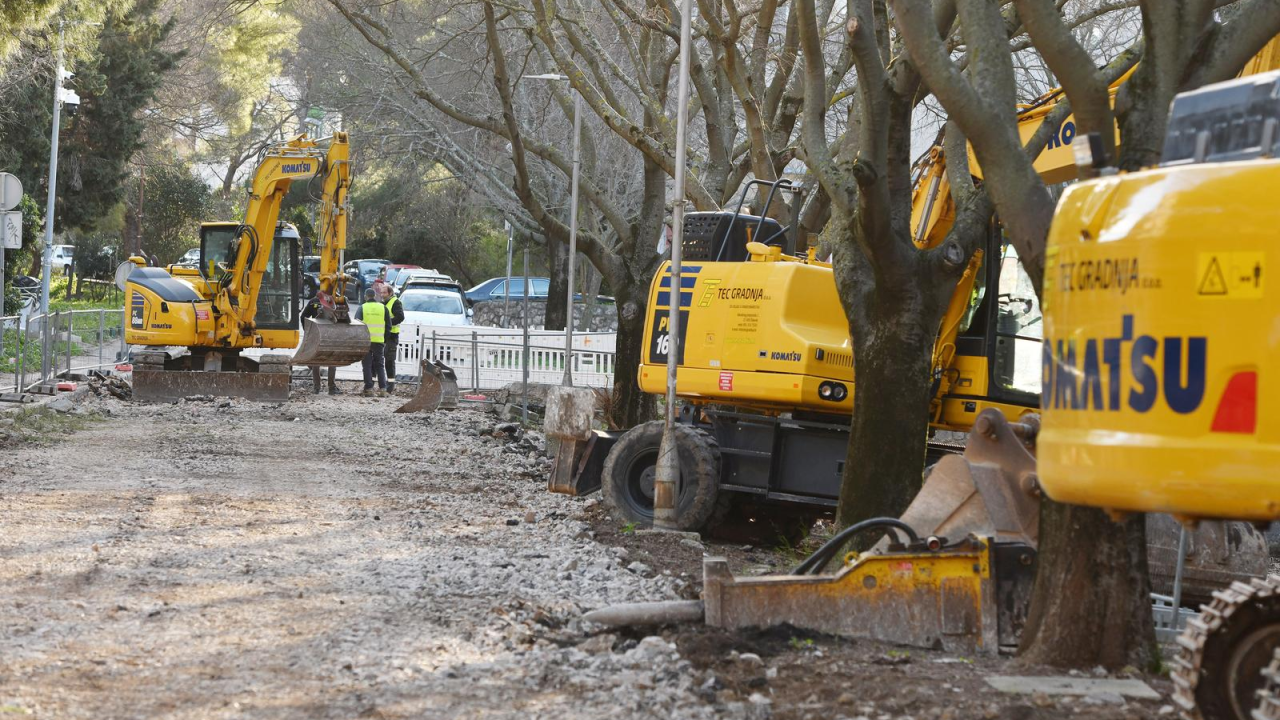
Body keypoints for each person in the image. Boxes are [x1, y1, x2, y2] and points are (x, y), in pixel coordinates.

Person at [300, 296, 340, 395]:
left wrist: (308, 331)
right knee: (332, 361)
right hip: (331, 334)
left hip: (317, 334)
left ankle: (316, 387)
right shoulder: (335, 300)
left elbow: (303, 316)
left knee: (316, 361)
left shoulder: (314, 301)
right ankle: (331, 388)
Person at [355, 287, 388, 396]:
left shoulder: (362, 308)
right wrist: (384, 339)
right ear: (375, 296)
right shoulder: (383, 308)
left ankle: (369, 389)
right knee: (380, 365)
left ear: (365, 297)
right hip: (379, 341)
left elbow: (356, 324)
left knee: (367, 365)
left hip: (366, 341)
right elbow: (388, 325)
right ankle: (383, 389)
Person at [380, 282, 405, 394]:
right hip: (383, 335)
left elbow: (400, 317)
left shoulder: (395, 302)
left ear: (390, 293)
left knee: (389, 361)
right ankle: (383, 384)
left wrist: (388, 324)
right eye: (381, 293)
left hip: (392, 336)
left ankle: (390, 386)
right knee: (380, 361)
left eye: (384, 293)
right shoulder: (383, 302)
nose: (382, 295)